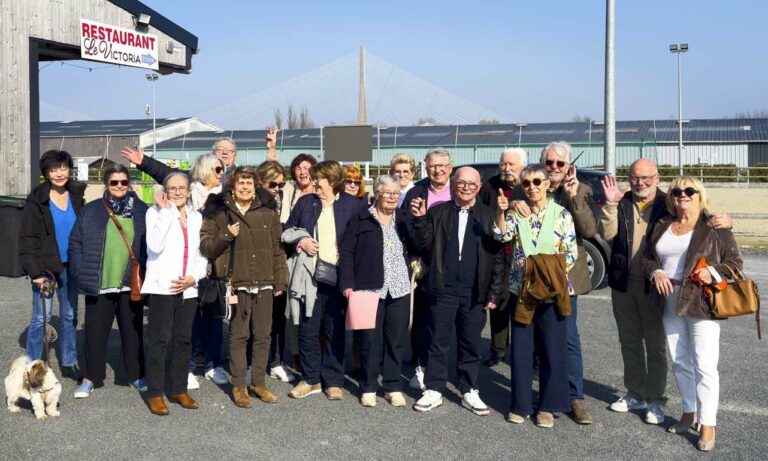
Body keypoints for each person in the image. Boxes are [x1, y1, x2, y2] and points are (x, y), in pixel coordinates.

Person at [642, 177, 741, 452]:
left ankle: (708, 423)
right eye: (676, 191)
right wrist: (656, 271)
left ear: (700, 195)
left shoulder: (714, 226)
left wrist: (713, 272)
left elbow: (735, 262)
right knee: (679, 361)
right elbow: (647, 257)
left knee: (705, 365)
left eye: (689, 191)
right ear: (671, 197)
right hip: (668, 300)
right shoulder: (663, 225)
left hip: (700, 301)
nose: (682, 195)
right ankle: (689, 411)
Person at [509, 141, 596, 424]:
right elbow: (505, 217)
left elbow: (589, 230)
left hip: (561, 281)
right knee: (531, 343)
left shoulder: (579, 190)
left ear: (568, 166)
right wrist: (513, 202)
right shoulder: (525, 188)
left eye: (560, 163)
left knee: (566, 342)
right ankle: (536, 396)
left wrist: (573, 199)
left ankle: (574, 398)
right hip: (526, 283)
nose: (554, 168)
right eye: (550, 162)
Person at [410, 167, 506, 416]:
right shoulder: (438, 212)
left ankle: (469, 389)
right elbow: (423, 244)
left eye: (471, 184)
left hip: (475, 292)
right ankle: (434, 389)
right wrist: (420, 220)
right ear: (453, 184)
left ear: (480, 186)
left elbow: (497, 258)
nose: (466, 187)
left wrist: (494, 293)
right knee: (437, 342)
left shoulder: (489, 215)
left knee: (471, 344)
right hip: (442, 290)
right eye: (461, 183)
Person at [494, 164, 577, 428]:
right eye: (527, 183)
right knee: (521, 350)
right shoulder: (516, 213)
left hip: (553, 290)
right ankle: (520, 404)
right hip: (522, 290)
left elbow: (571, 253)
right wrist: (501, 210)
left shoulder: (562, 214)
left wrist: (542, 271)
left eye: (537, 182)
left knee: (553, 350)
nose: (532, 187)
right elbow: (501, 235)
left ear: (547, 185)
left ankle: (548, 406)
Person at [200, 166, 289, 408]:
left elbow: (277, 249)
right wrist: (226, 235)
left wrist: (280, 280)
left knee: (263, 335)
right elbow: (206, 246)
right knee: (239, 336)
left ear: (256, 186)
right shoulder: (218, 212)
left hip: (265, 282)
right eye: (241, 183)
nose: (246, 187)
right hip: (235, 283)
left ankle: (258, 382)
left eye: (250, 183)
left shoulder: (268, 211)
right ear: (232, 186)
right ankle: (239, 385)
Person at [284, 161, 364, 400]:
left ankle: (333, 380)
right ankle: (310, 379)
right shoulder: (305, 202)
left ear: (332, 180)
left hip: (339, 277)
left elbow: (362, 240)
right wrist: (301, 242)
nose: (314, 182)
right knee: (307, 330)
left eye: (319, 178)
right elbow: (287, 229)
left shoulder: (353, 205)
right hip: (310, 277)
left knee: (334, 330)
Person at [69, 164, 148, 398]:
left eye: (124, 182)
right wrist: (80, 270)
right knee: (94, 332)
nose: (120, 186)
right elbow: (75, 243)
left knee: (132, 332)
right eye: (114, 182)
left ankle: (135, 375)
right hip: (99, 281)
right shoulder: (91, 210)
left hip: (129, 281)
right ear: (106, 184)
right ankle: (90, 377)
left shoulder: (142, 210)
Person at [339, 175, 414, 408]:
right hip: (368, 287)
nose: (392, 198)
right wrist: (347, 284)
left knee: (397, 339)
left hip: (399, 287)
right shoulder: (361, 218)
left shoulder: (404, 218)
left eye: (396, 193)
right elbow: (347, 252)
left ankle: (392, 385)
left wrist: (418, 221)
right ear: (377, 194)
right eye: (387, 193)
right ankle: (369, 385)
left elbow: (419, 243)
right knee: (369, 340)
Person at [142, 172, 208, 415]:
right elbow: (155, 245)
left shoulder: (196, 217)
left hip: (188, 288)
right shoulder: (155, 213)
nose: (178, 192)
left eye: (182, 188)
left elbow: (201, 254)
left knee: (183, 339)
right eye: (173, 188)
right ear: (165, 191)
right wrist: (167, 212)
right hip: (163, 287)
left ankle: (178, 388)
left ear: (189, 191)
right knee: (160, 340)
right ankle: (155, 392)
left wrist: (195, 277)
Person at [18, 150, 86, 381]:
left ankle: (68, 360)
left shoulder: (76, 194)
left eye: (63, 168)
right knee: (41, 318)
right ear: (46, 173)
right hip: (45, 269)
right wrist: (34, 272)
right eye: (53, 169)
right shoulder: (37, 199)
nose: (59, 173)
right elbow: (28, 238)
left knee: (69, 316)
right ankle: (31, 366)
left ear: (69, 169)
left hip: (72, 266)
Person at [400, 147, 454, 391]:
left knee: (448, 323)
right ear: (426, 167)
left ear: (450, 168)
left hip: (455, 266)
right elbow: (406, 225)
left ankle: (451, 372)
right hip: (425, 266)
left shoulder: (460, 191)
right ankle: (420, 366)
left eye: (442, 165)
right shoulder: (416, 192)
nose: (438, 170)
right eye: (433, 165)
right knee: (422, 320)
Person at [477, 147, 527, 367]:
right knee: (498, 302)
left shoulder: (531, 185)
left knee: (524, 306)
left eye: (511, 165)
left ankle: (525, 352)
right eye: (503, 164)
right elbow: (481, 213)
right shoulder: (490, 186)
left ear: (523, 166)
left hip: (524, 256)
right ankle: (498, 349)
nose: (506, 169)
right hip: (498, 253)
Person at [255, 160, 295, 383]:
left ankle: (276, 362)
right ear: (260, 180)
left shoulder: (282, 198)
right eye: (273, 184)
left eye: (281, 184)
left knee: (279, 316)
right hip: (255, 263)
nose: (277, 189)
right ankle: (254, 362)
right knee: (255, 318)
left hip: (278, 259)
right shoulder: (251, 199)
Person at [280, 153, 317, 224]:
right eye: (298, 169)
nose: (302, 172)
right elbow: (272, 176)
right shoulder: (288, 189)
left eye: (306, 168)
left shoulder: (320, 190)